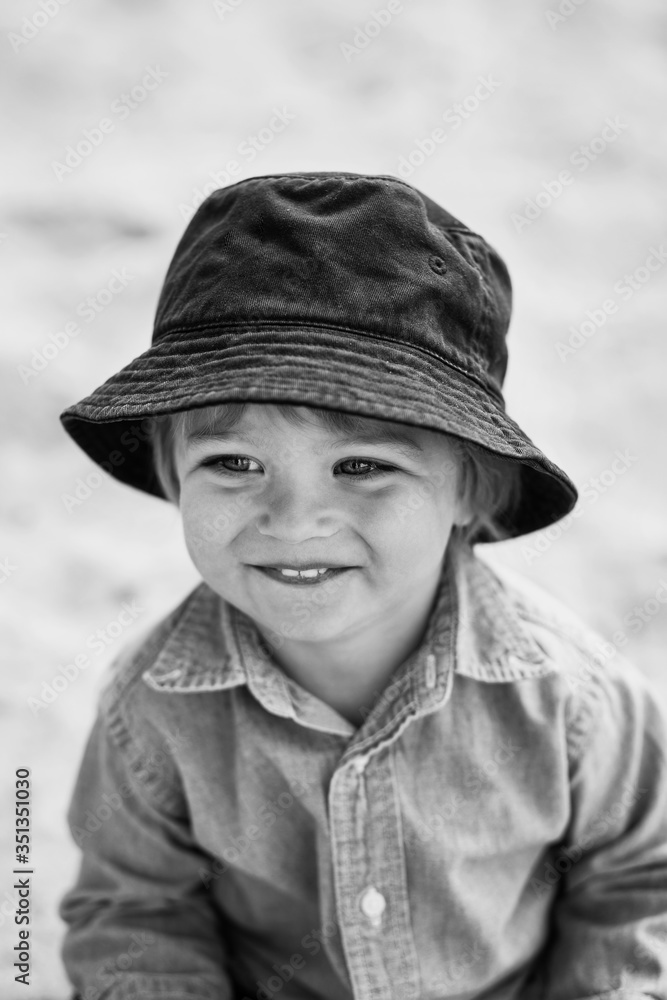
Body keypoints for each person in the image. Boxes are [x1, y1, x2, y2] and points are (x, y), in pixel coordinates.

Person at [57, 172, 667, 1000]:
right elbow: (134, 911)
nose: (295, 517)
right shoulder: (149, 707)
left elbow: (637, 880)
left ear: (467, 491)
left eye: (363, 466)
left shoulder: (571, 698)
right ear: (170, 474)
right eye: (233, 463)